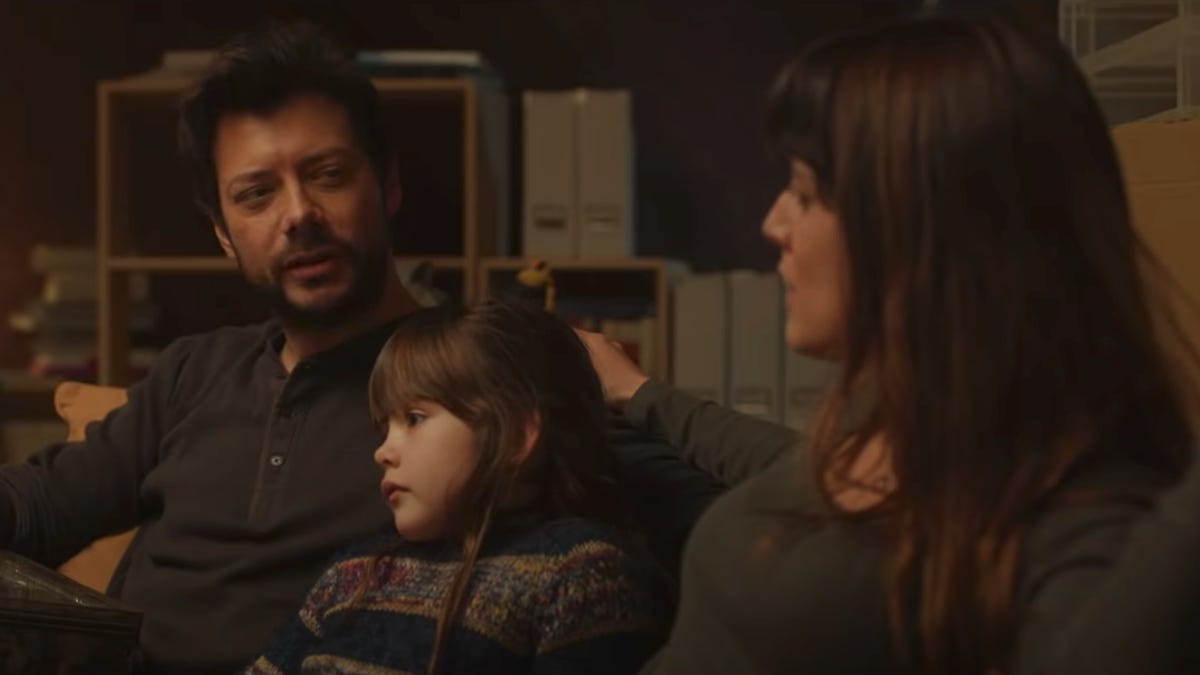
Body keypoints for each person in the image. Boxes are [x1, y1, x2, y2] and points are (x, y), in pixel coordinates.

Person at [0, 22, 719, 674]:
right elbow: (39, 503)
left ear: (389, 184)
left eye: (328, 174)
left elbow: (741, 521)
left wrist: (644, 395)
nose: (299, 215)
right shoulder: (196, 370)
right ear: (222, 233)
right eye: (256, 194)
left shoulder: (477, 373)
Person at [576, 7, 1199, 675]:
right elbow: (782, 463)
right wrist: (637, 393)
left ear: (922, 227)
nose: (771, 222)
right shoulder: (894, 422)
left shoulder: (1078, 510)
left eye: (805, 193)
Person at [244, 298, 667, 674]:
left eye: (415, 418)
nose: (383, 451)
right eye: (383, 428)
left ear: (517, 437)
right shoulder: (355, 570)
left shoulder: (580, 571)